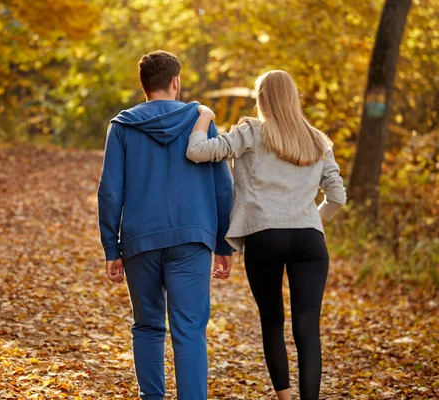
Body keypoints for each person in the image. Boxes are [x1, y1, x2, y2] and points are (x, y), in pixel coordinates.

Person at [186, 70, 347, 400]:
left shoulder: (250, 132)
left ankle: (285, 398)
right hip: (308, 240)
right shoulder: (317, 140)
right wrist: (310, 221)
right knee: (307, 327)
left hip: (264, 236)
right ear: (293, 97)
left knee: (272, 320)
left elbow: (198, 151)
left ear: (262, 99)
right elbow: (338, 197)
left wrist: (204, 116)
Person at [97, 50, 235, 400]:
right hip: (192, 238)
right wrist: (224, 244)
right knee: (189, 331)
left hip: (140, 240)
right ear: (176, 82)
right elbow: (223, 186)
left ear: (143, 85)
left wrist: (111, 248)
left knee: (147, 326)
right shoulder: (200, 120)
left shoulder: (123, 126)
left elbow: (110, 191)